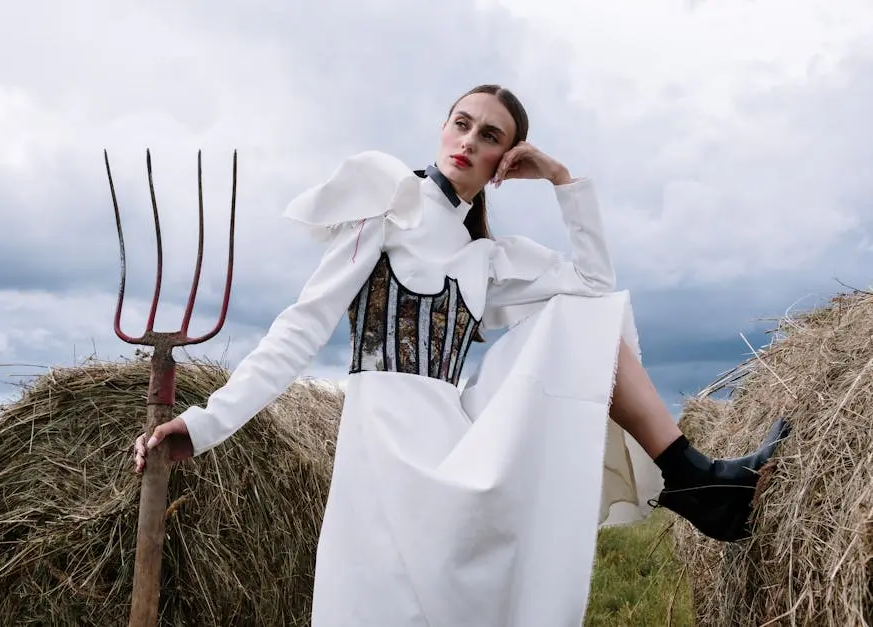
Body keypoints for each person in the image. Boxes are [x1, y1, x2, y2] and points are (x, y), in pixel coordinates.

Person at [133, 84, 788, 626]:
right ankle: (697, 478)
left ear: (505, 160)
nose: (469, 142)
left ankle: (693, 477)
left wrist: (561, 179)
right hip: (385, 452)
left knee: (584, 322)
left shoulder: (489, 260)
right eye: (462, 124)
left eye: (490, 136)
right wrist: (205, 422)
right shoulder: (385, 209)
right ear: (443, 128)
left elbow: (595, 290)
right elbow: (300, 328)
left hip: (457, 439)